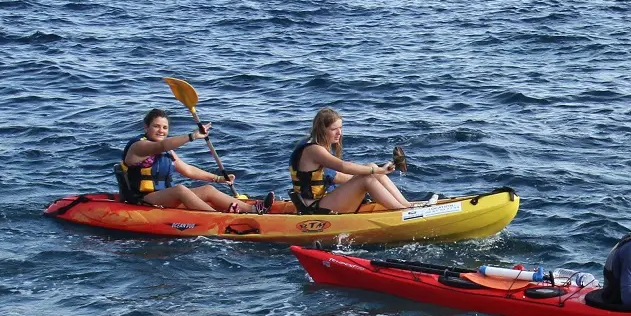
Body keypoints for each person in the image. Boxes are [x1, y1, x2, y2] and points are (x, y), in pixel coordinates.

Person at [116, 109, 261, 212]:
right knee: (180, 189)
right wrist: (192, 136)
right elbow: (161, 145)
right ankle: (217, 217)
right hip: (143, 199)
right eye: (156, 126)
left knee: (208, 190)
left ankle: (253, 209)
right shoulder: (139, 146)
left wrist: (218, 178)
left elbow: (188, 170)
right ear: (146, 127)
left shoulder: (167, 151)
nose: (161, 131)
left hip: (163, 197)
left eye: (165, 127)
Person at [289, 108, 412, 214]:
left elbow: (337, 177)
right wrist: (377, 170)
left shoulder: (316, 146)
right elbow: (343, 166)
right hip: (313, 208)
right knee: (367, 178)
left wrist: (375, 171)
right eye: (333, 129)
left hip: (324, 201)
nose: (339, 133)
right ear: (322, 130)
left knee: (370, 168)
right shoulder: (314, 150)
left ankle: (407, 206)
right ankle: (402, 212)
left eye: (340, 128)